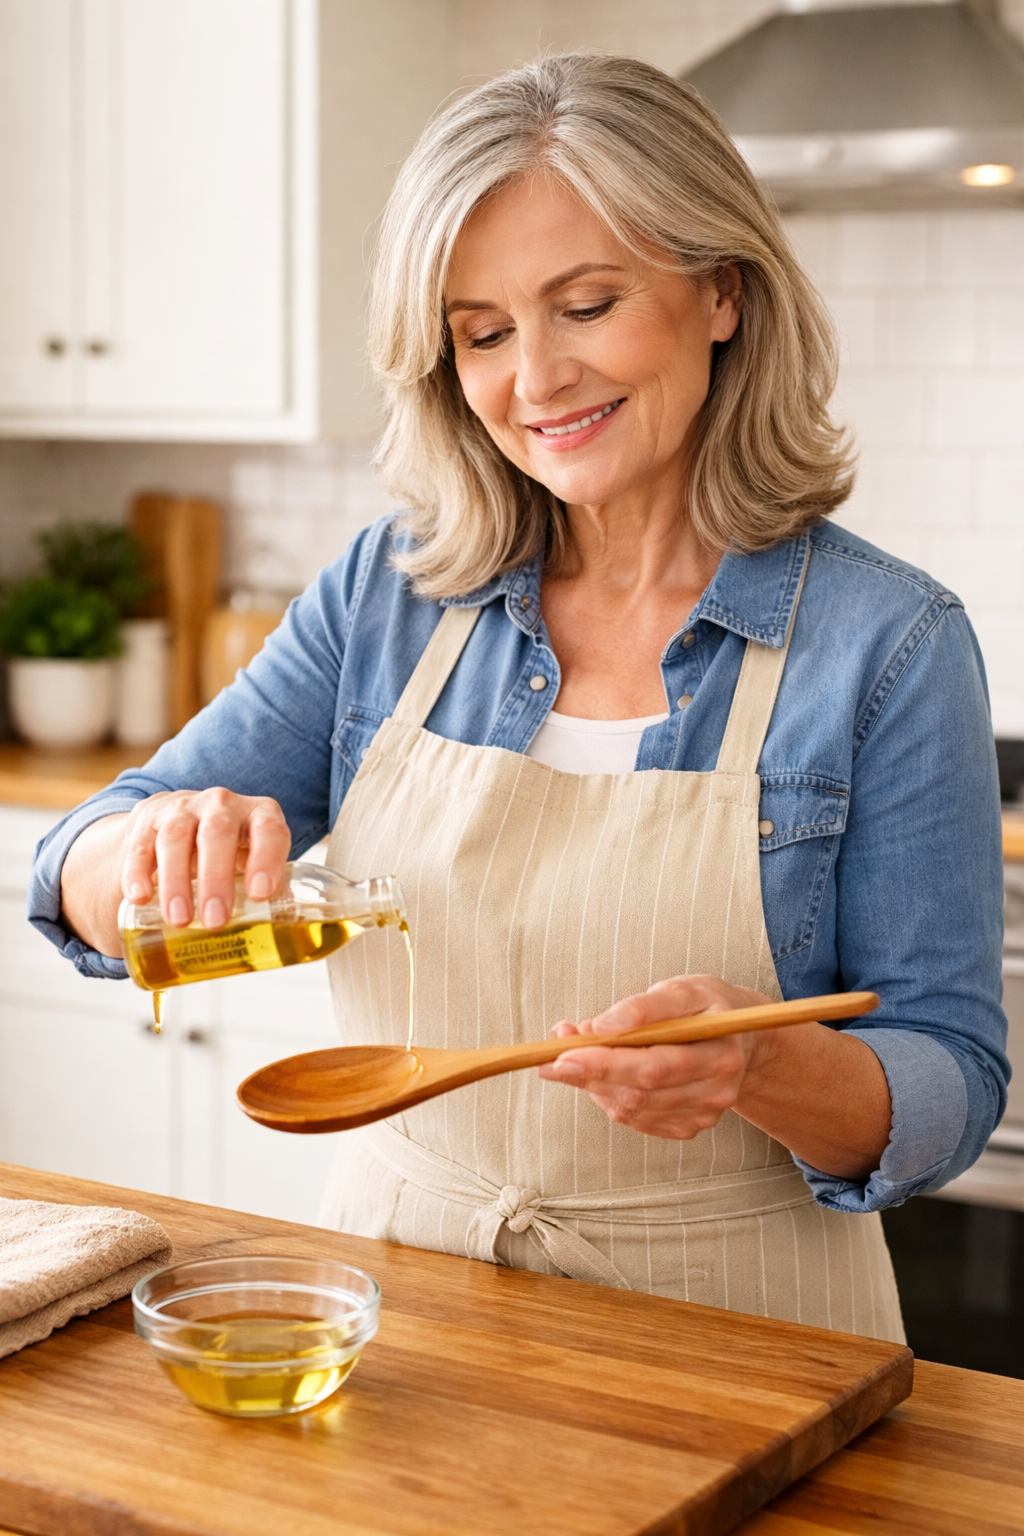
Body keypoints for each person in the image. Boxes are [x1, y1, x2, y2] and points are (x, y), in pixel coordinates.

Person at [32, 54, 1006, 1341]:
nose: (534, 379)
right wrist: (146, 852)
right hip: (404, 1316)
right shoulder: (393, 591)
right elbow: (77, 868)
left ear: (720, 290)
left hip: (744, 1338)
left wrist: (764, 1067)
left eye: (587, 304)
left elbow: (951, 1081)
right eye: (481, 332)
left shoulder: (889, 643)